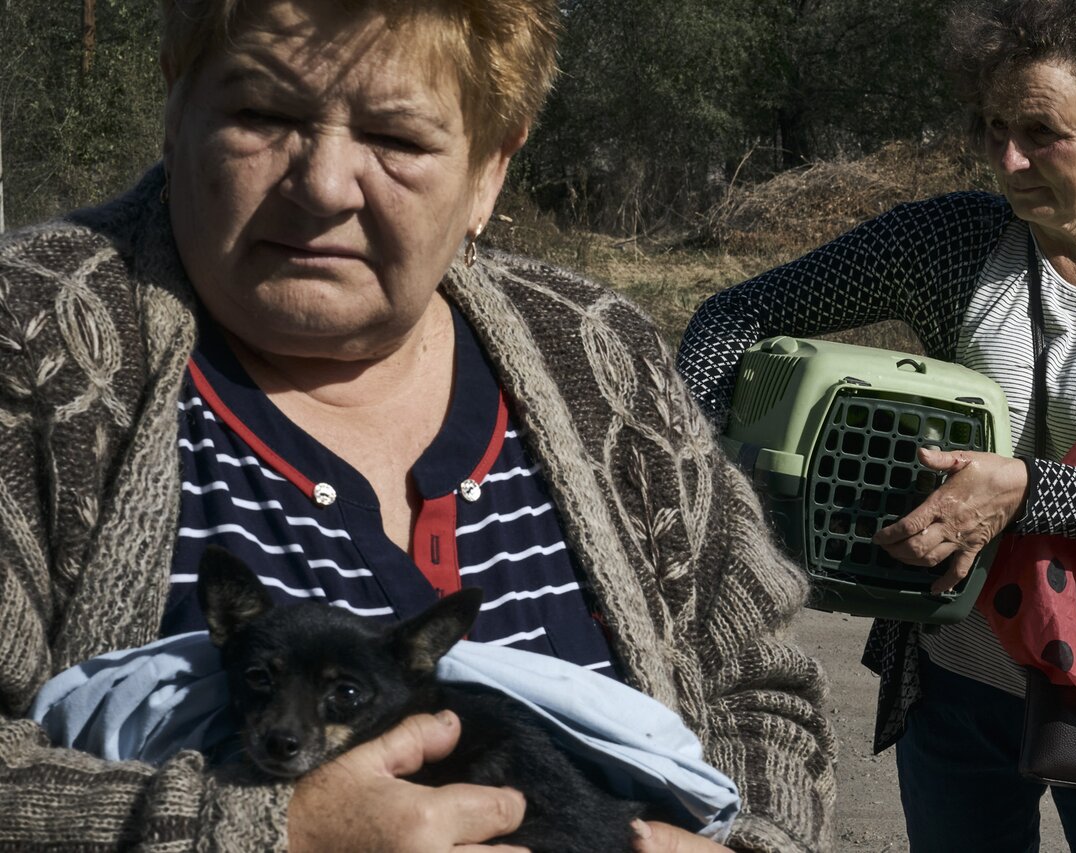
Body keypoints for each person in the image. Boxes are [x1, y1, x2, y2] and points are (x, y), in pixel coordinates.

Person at [0, 0, 836, 849]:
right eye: (262, 114)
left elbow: (758, 689)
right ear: (178, 111)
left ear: (488, 171)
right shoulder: (29, 339)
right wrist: (253, 832)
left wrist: (742, 845)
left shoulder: (600, 358)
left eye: (396, 139)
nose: (322, 185)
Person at [676, 0, 1076, 850]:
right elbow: (734, 316)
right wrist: (690, 479)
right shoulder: (955, 241)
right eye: (993, 128)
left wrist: (1018, 491)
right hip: (955, 685)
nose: (1010, 159)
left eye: (1042, 132)